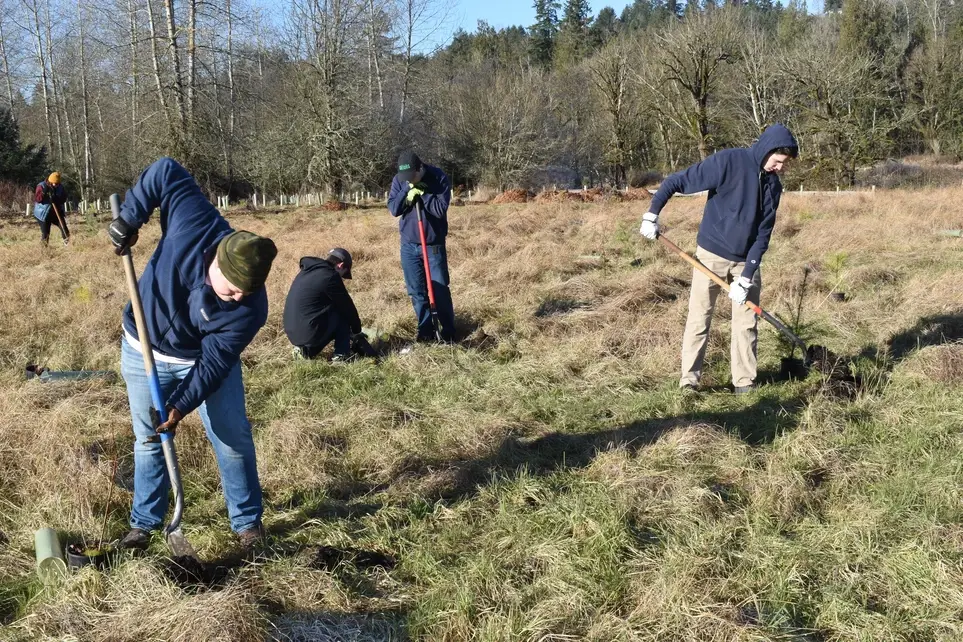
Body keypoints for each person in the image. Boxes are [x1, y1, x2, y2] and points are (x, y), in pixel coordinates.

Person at [107, 157, 278, 550]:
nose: (237, 297)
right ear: (218, 258)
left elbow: (215, 362)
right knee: (148, 438)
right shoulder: (193, 222)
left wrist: (180, 405)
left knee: (231, 435)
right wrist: (130, 219)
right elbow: (166, 170)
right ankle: (144, 525)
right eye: (232, 288)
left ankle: (248, 525)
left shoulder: (250, 309)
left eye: (245, 293)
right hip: (141, 346)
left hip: (198, 363)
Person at [639, 124, 799, 394]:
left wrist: (746, 276)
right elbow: (677, 181)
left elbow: (763, 234)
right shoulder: (729, 162)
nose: (780, 168)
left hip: (745, 261)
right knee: (699, 317)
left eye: (784, 164)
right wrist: (652, 214)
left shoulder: (773, 186)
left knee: (747, 323)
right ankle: (689, 381)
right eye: (778, 161)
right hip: (710, 255)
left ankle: (744, 383)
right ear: (767, 150)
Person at [387, 151, 456, 344]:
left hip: (433, 245)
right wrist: (406, 194)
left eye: (412, 177)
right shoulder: (400, 180)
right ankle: (425, 330)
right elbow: (393, 209)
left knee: (439, 289)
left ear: (420, 168)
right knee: (417, 291)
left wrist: (424, 194)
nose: (409, 181)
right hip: (409, 245)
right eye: (405, 179)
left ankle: (448, 331)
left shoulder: (438, 177)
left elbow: (439, 210)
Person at [283, 247, 374, 361]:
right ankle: (341, 356)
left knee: (330, 312)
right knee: (343, 314)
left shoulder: (308, 271)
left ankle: (305, 351)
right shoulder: (330, 276)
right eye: (343, 274)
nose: (341, 278)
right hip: (309, 331)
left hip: (293, 331)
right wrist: (356, 330)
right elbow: (347, 307)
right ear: (340, 265)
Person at [34, 172, 69, 246]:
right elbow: (38, 199)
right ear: (50, 181)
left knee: (65, 230)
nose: (55, 185)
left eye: (57, 184)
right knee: (46, 233)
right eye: (54, 183)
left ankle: (67, 246)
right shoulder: (41, 186)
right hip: (43, 214)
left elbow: (64, 198)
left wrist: (56, 199)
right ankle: (44, 251)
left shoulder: (60, 187)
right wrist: (44, 193)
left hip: (56, 213)